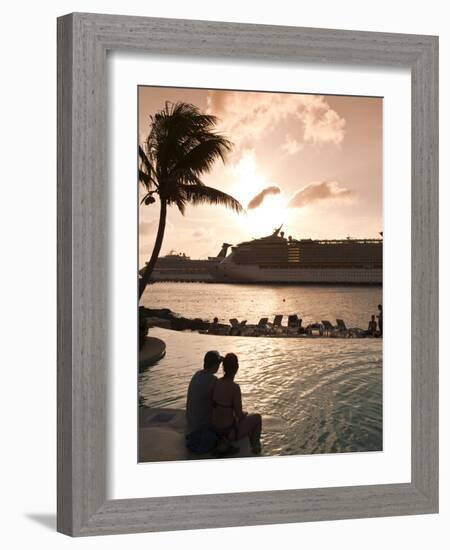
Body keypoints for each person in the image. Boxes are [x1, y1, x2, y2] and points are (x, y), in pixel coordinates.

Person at [210, 353, 262, 455]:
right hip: (228, 433)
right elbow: (239, 415)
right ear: (237, 368)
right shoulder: (235, 388)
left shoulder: (216, 383)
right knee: (257, 418)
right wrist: (244, 414)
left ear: (223, 368)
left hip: (215, 429)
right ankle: (255, 448)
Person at [186, 350, 222, 432]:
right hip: (202, 425)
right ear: (216, 364)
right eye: (218, 363)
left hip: (191, 421)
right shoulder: (213, 380)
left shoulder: (197, 374)